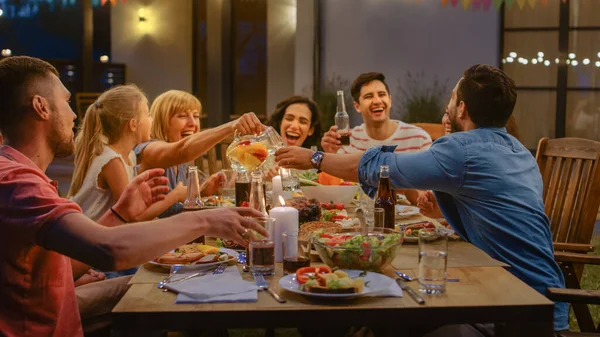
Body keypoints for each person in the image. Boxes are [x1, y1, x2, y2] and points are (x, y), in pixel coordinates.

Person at [275, 64, 569, 333]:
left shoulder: (461, 150)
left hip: (514, 314)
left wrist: (314, 157)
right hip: (542, 302)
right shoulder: (519, 152)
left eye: (453, 98)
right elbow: (497, 208)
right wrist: (443, 209)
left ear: (462, 109)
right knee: (398, 307)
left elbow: (381, 169)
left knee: (392, 314)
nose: (448, 105)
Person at [0, 55, 267, 337]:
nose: (75, 114)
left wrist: (119, 215)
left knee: (173, 282)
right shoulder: (17, 182)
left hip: (59, 311)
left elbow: (65, 264)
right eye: (66, 102)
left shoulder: (22, 175)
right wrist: (206, 220)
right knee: (170, 290)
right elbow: (109, 251)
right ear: (41, 107)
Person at [134, 89, 264, 217]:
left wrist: (201, 191)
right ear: (161, 121)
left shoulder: (181, 163)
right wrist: (231, 127)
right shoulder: (149, 150)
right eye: (182, 116)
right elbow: (182, 151)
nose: (192, 123)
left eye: (196, 116)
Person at [69, 85, 181, 222]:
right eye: (148, 115)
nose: (151, 120)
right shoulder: (111, 161)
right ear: (133, 125)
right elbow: (132, 218)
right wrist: (174, 196)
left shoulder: (129, 156)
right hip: (91, 238)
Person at [321, 72, 432, 154]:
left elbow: (430, 182)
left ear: (390, 100)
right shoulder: (347, 141)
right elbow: (337, 182)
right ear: (357, 106)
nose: (377, 101)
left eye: (381, 94)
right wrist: (330, 154)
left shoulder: (419, 139)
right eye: (369, 96)